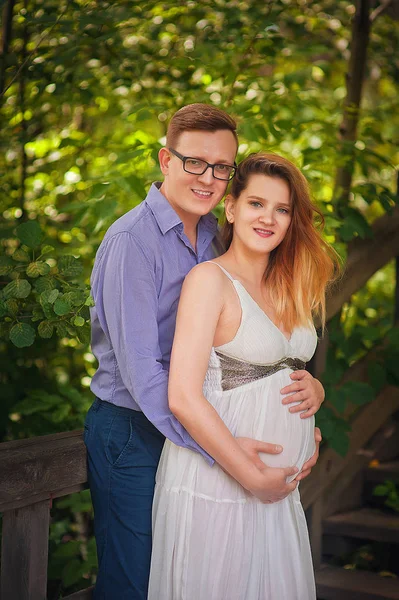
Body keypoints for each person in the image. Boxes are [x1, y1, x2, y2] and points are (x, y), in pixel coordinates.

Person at [84, 104, 324, 600]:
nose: (208, 177)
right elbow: (145, 375)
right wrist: (226, 454)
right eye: (194, 162)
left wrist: (306, 387)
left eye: (221, 168)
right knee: (136, 579)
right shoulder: (132, 242)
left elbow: (245, 346)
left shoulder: (216, 234)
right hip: (133, 428)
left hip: (200, 433)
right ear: (165, 160)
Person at [148, 152, 338, 600]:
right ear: (231, 208)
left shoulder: (289, 287)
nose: (268, 217)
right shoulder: (208, 281)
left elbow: (283, 371)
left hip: (278, 492)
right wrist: (252, 478)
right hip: (221, 483)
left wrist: (315, 399)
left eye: (282, 209)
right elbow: (182, 397)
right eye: (256, 203)